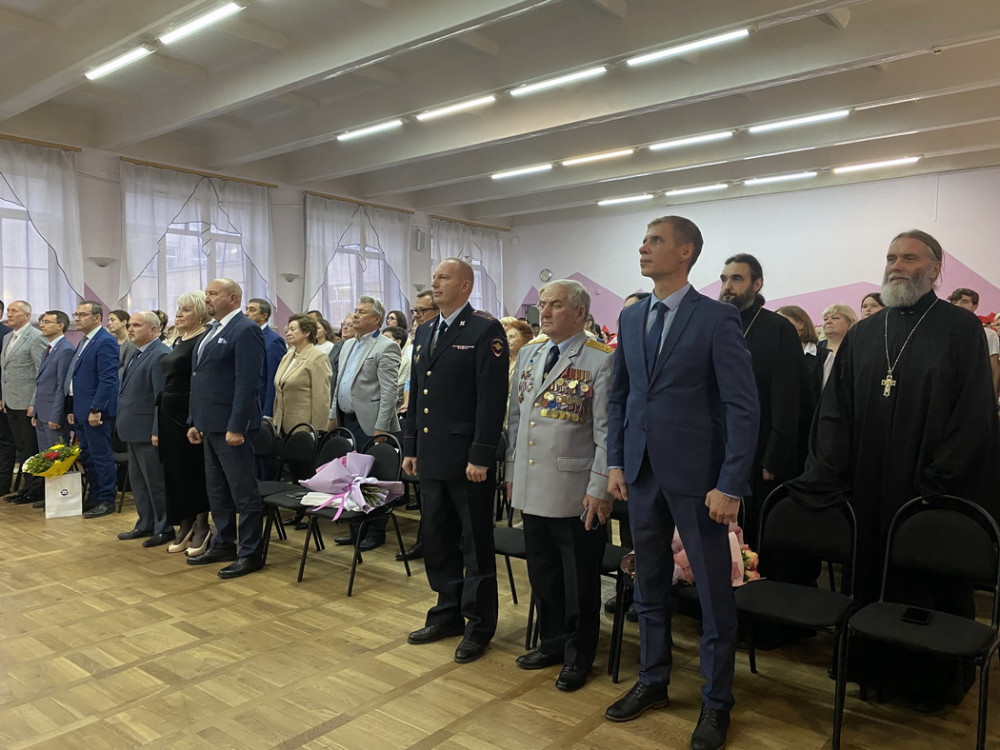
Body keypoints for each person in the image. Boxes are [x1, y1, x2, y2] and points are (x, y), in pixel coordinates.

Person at [788, 230, 1000, 708]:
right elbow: (835, 409)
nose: (897, 266)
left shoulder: (961, 329)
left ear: (935, 268)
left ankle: (928, 684)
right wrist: (830, 468)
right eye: (891, 257)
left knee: (927, 584)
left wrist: (938, 481)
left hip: (928, 492)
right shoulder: (865, 332)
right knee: (869, 579)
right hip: (868, 487)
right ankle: (867, 668)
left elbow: (973, 413)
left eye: (909, 258)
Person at [604, 216, 758, 750]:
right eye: (644, 240)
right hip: (642, 473)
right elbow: (621, 397)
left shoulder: (716, 318)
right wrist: (616, 462)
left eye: (655, 240)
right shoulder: (632, 317)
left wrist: (731, 483)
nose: (643, 248)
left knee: (713, 595)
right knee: (648, 585)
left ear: (686, 251)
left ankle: (716, 702)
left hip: (699, 479)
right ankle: (653, 679)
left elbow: (742, 406)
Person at [506, 279, 615, 692]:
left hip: (576, 490)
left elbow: (607, 433)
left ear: (580, 313)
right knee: (544, 573)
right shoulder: (530, 353)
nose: (545, 312)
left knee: (579, 579)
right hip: (533, 483)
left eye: (555, 305)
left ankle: (579, 654)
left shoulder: (600, 359)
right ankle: (551, 643)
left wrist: (600, 488)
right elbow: (517, 419)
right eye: (542, 304)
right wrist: (512, 473)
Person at [403, 258, 508, 665]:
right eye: (434, 278)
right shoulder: (426, 329)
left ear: (465, 285)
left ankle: (479, 625)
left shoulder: (484, 329)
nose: (435, 284)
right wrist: (410, 447)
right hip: (431, 454)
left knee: (475, 546)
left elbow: (491, 398)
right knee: (438, 539)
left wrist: (481, 454)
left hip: (467, 460)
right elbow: (418, 393)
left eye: (443, 278)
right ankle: (446, 613)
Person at [718, 254, 807, 548]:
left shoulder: (778, 329)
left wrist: (775, 454)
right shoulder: (714, 324)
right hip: (715, 445)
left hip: (759, 448)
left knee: (752, 534)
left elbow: (787, 395)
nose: (727, 286)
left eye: (737, 279)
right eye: (724, 279)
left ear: (757, 284)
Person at [186, 278, 266, 579]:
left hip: (232, 428)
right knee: (217, 490)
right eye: (206, 293)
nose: (206, 298)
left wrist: (237, 426)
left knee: (243, 492)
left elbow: (248, 383)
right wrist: (196, 421)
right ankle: (224, 543)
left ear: (233, 298)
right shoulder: (211, 330)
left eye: (213, 293)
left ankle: (250, 553)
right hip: (209, 424)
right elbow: (200, 379)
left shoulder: (245, 330)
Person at [328, 296, 401, 551]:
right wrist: (332, 415)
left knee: (374, 479)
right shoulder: (347, 344)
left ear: (377, 319)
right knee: (352, 477)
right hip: (347, 419)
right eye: (355, 310)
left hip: (371, 423)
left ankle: (376, 530)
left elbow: (389, 392)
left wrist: (382, 426)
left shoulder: (386, 346)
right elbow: (339, 383)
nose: (355, 315)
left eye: (362, 312)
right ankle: (357, 527)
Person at [152, 292, 211, 556]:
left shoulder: (203, 339)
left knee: (193, 470)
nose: (179, 314)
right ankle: (184, 523)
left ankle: (202, 525)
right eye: (178, 309)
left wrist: (196, 418)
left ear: (200, 313)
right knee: (174, 471)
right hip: (168, 412)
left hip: (187, 413)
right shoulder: (178, 339)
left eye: (186, 309)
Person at [115, 312, 173, 547]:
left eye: (137, 325)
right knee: (139, 481)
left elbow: (161, 398)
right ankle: (145, 522)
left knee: (155, 482)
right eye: (130, 325)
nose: (131, 329)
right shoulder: (136, 352)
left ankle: (164, 527)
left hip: (149, 430)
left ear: (154, 329)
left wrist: (158, 429)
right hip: (132, 427)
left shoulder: (159, 354)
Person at [67, 302, 120, 518]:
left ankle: (107, 499)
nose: (77, 318)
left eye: (82, 315)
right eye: (76, 314)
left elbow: (108, 378)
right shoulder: (85, 340)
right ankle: (95, 495)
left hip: (95, 411)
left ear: (97, 318)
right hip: (81, 408)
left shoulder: (105, 341)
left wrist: (97, 408)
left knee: (100, 456)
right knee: (87, 456)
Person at [1, 301, 48, 505]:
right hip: (11, 401)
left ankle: (36, 489)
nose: (9, 314)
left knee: (30, 447)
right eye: (8, 311)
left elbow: (40, 372)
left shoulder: (36, 337)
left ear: (27, 315)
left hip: (27, 402)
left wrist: (34, 401)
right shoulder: (8, 337)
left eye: (14, 311)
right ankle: (27, 487)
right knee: (21, 447)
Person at [30, 311, 74, 506]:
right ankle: (50, 495)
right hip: (42, 411)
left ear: (60, 326)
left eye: (47, 322)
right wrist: (36, 411)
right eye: (42, 321)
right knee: (45, 455)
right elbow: (42, 383)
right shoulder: (48, 348)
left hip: (53, 414)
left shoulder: (65, 349)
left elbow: (61, 386)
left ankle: (61, 497)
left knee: (58, 456)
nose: (42, 325)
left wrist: (56, 415)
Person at [272, 314, 331, 435]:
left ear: (306, 332)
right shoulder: (287, 357)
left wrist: (317, 430)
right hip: (281, 424)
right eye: (288, 330)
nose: (288, 333)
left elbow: (321, 397)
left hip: (303, 426)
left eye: (293, 329)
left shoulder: (318, 357)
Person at [948, 287, 1000, 400]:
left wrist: (993, 400)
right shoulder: (943, 332)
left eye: (964, 301)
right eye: (954, 302)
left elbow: (994, 370)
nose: (958, 305)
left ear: (975, 306)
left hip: (976, 394)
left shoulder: (988, 334)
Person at [245, 298, 288, 419]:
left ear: (263, 316)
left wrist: (268, 412)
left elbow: (273, 378)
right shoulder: (245, 335)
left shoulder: (273, 341)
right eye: (246, 309)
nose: (246, 313)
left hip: (261, 404)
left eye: (252, 310)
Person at [818, 304, 857, 391]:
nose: (828, 322)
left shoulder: (856, 348)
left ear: (849, 323)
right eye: (825, 319)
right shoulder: (816, 349)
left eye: (834, 318)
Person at [382, 325, 410, 413]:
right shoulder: (378, 358)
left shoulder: (405, 362)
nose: (381, 341)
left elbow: (399, 386)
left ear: (397, 342)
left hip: (393, 409)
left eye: (386, 338)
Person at [107, 309, 136, 377]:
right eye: (108, 320)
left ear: (124, 322)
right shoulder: (112, 341)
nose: (109, 323)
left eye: (112, 320)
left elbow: (127, 367)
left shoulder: (132, 342)